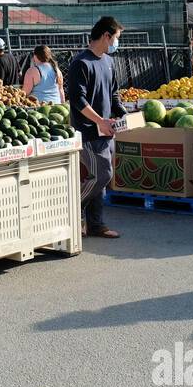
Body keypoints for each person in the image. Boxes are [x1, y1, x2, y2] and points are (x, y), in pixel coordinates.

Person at [68, 17, 126, 238]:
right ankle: (70, 209)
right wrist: (99, 120)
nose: (117, 43)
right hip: (87, 133)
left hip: (106, 131)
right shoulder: (80, 63)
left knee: (100, 181)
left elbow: (113, 95)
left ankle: (96, 224)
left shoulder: (108, 62)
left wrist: (123, 115)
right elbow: (77, 100)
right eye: (116, 39)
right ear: (106, 36)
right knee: (102, 174)